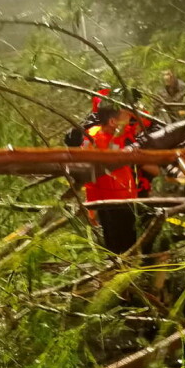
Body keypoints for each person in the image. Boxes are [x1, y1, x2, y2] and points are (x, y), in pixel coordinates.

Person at [81, 100, 140, 254]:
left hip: (123, 197)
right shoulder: (96, 137)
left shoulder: (111, 133)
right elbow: (95, 169)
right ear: (113, 121)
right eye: (125, 116)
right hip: (112, 200)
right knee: (120, 245)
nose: (129, 119)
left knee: (127, 243)